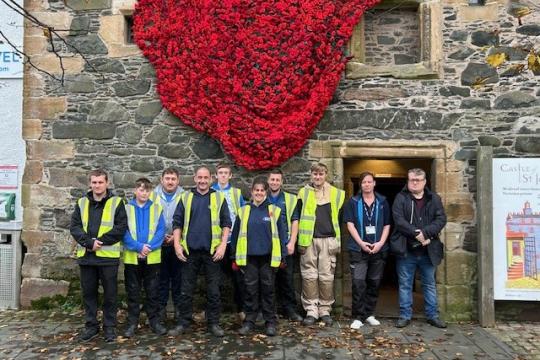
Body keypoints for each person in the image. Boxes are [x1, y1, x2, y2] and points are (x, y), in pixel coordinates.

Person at [169, 166, 232, 337]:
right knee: (186, 290)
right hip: (190, 252)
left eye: (206, 178)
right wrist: (176, 245)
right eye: (200, 177)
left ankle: (213, 324)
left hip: (213, 252)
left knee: (213, 290)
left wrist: (223, 245)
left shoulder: (219, 197)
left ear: (211, 179)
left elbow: (227, 223)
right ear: (195, 178)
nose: (203, 181)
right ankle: (183, 323)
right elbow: (177, 222)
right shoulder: (186, 197)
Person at [70, 169, 127, 343]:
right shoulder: (81, 203)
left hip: (107, 258)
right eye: (94, 182)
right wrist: (89, 243)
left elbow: (121, 227)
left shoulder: (117, 203)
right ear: (90, 184)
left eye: (100, 182)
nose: (97, 185)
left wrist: (99, 242)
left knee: (110, 295)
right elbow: (75, 227)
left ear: (107, 183)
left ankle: (110, 327)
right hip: (87, 258)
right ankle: (91, 326)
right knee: (88, 294)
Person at [231, 176, 287, 336]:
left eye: (262, 190)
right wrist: (233, 257)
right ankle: (249, 321)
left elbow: (281, 236)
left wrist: (282, 256)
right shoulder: (243, 211)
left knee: (268, 290)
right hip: (249, 258)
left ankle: (270, 322)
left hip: (268, 259)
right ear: (252, 191)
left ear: (266, 192)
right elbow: (235, 236)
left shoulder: (274, 211)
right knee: (250, 290)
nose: (259, 193)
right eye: (256, 190)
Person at [392, 168, 447, 329]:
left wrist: (426, 233)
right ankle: (405, 315)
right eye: (411, 180)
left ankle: (432, 315)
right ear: (408, 181)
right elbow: (398, 220)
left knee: (429, 284)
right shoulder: (401, 198)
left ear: (424, 182)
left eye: (418, 180)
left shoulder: (434, 198)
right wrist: (416, 233)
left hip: (428, 251)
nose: (414, 182)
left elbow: (441, 218)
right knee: (405, 284)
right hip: (406, 250)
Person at [296, 163, 345, 327]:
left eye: (321, 174)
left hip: (328, 240)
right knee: (309, 277)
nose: (318, 177)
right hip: (308, 240)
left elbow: (341, 218)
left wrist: (337, 241)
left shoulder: (337, 194)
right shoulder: (303, 193)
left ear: (326, 175)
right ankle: (311, 310)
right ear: (311, 175)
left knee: (326, 277)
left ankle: (325, 310)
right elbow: (297, 217)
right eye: (315, 174)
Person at [343, 172, 391, 329]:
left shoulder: (382, 202)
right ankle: (358, 316)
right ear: (360, 184)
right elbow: (349, 224)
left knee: (374, 282)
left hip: (378, 248)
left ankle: (369, 314)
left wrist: (380, 243)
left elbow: (387, 225)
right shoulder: (353, 202)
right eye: (364, 182)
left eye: (369, 182)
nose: (367, 184)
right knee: (358, 283)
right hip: (358, 248)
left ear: (374, 183)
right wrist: (361, 243)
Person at [122, 178, 167, 338]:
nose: (144, 193)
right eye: (141, 190)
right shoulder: (126, 208)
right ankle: (132, 323)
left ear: (150, 192)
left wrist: (148, 247)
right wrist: (138, 247)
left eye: (147, 190)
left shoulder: (156, 208)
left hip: (152, 258)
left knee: (152, 292)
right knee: (133, 293)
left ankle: (154, 322)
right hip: (132, 258)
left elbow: (161, 230)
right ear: (135, 190)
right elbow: (123, 232)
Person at [210, 163, 247, 320]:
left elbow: (244, 214)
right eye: (220, 173)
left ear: (230, 176)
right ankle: (214, 312)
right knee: (214, 278)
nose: (223, 175)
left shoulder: (236, 193)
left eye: (226, 173)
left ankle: (242, 309)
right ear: (216, 175)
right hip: (216, 242)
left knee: (239, 277)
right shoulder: (210, 192)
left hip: (234, 241)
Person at [267, 169, 303, 322]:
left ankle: (290, 310)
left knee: (287, 280)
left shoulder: (290, 199)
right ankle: (269, 312)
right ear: (268, 181)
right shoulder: (261, 195)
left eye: (277, 180)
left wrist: (292, 242)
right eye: (272, 179)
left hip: (285, 246)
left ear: (282, 182)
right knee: (268, 281)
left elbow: (295, 221)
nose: (275, 182)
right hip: (267, 246)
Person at [149, 167, 184, 323]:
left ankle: (178, 311)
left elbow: (188, 220)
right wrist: (160, 236)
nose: (170, 182)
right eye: (167, 178)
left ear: (178, 181)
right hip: (158, 245)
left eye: (173, 179)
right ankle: (160, 311)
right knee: (160, 280)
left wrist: (177, 238)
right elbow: (148, 219)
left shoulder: (185, 196)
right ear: (161, 180)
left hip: (178, 245)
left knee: (179, 280)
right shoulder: (151, 195)